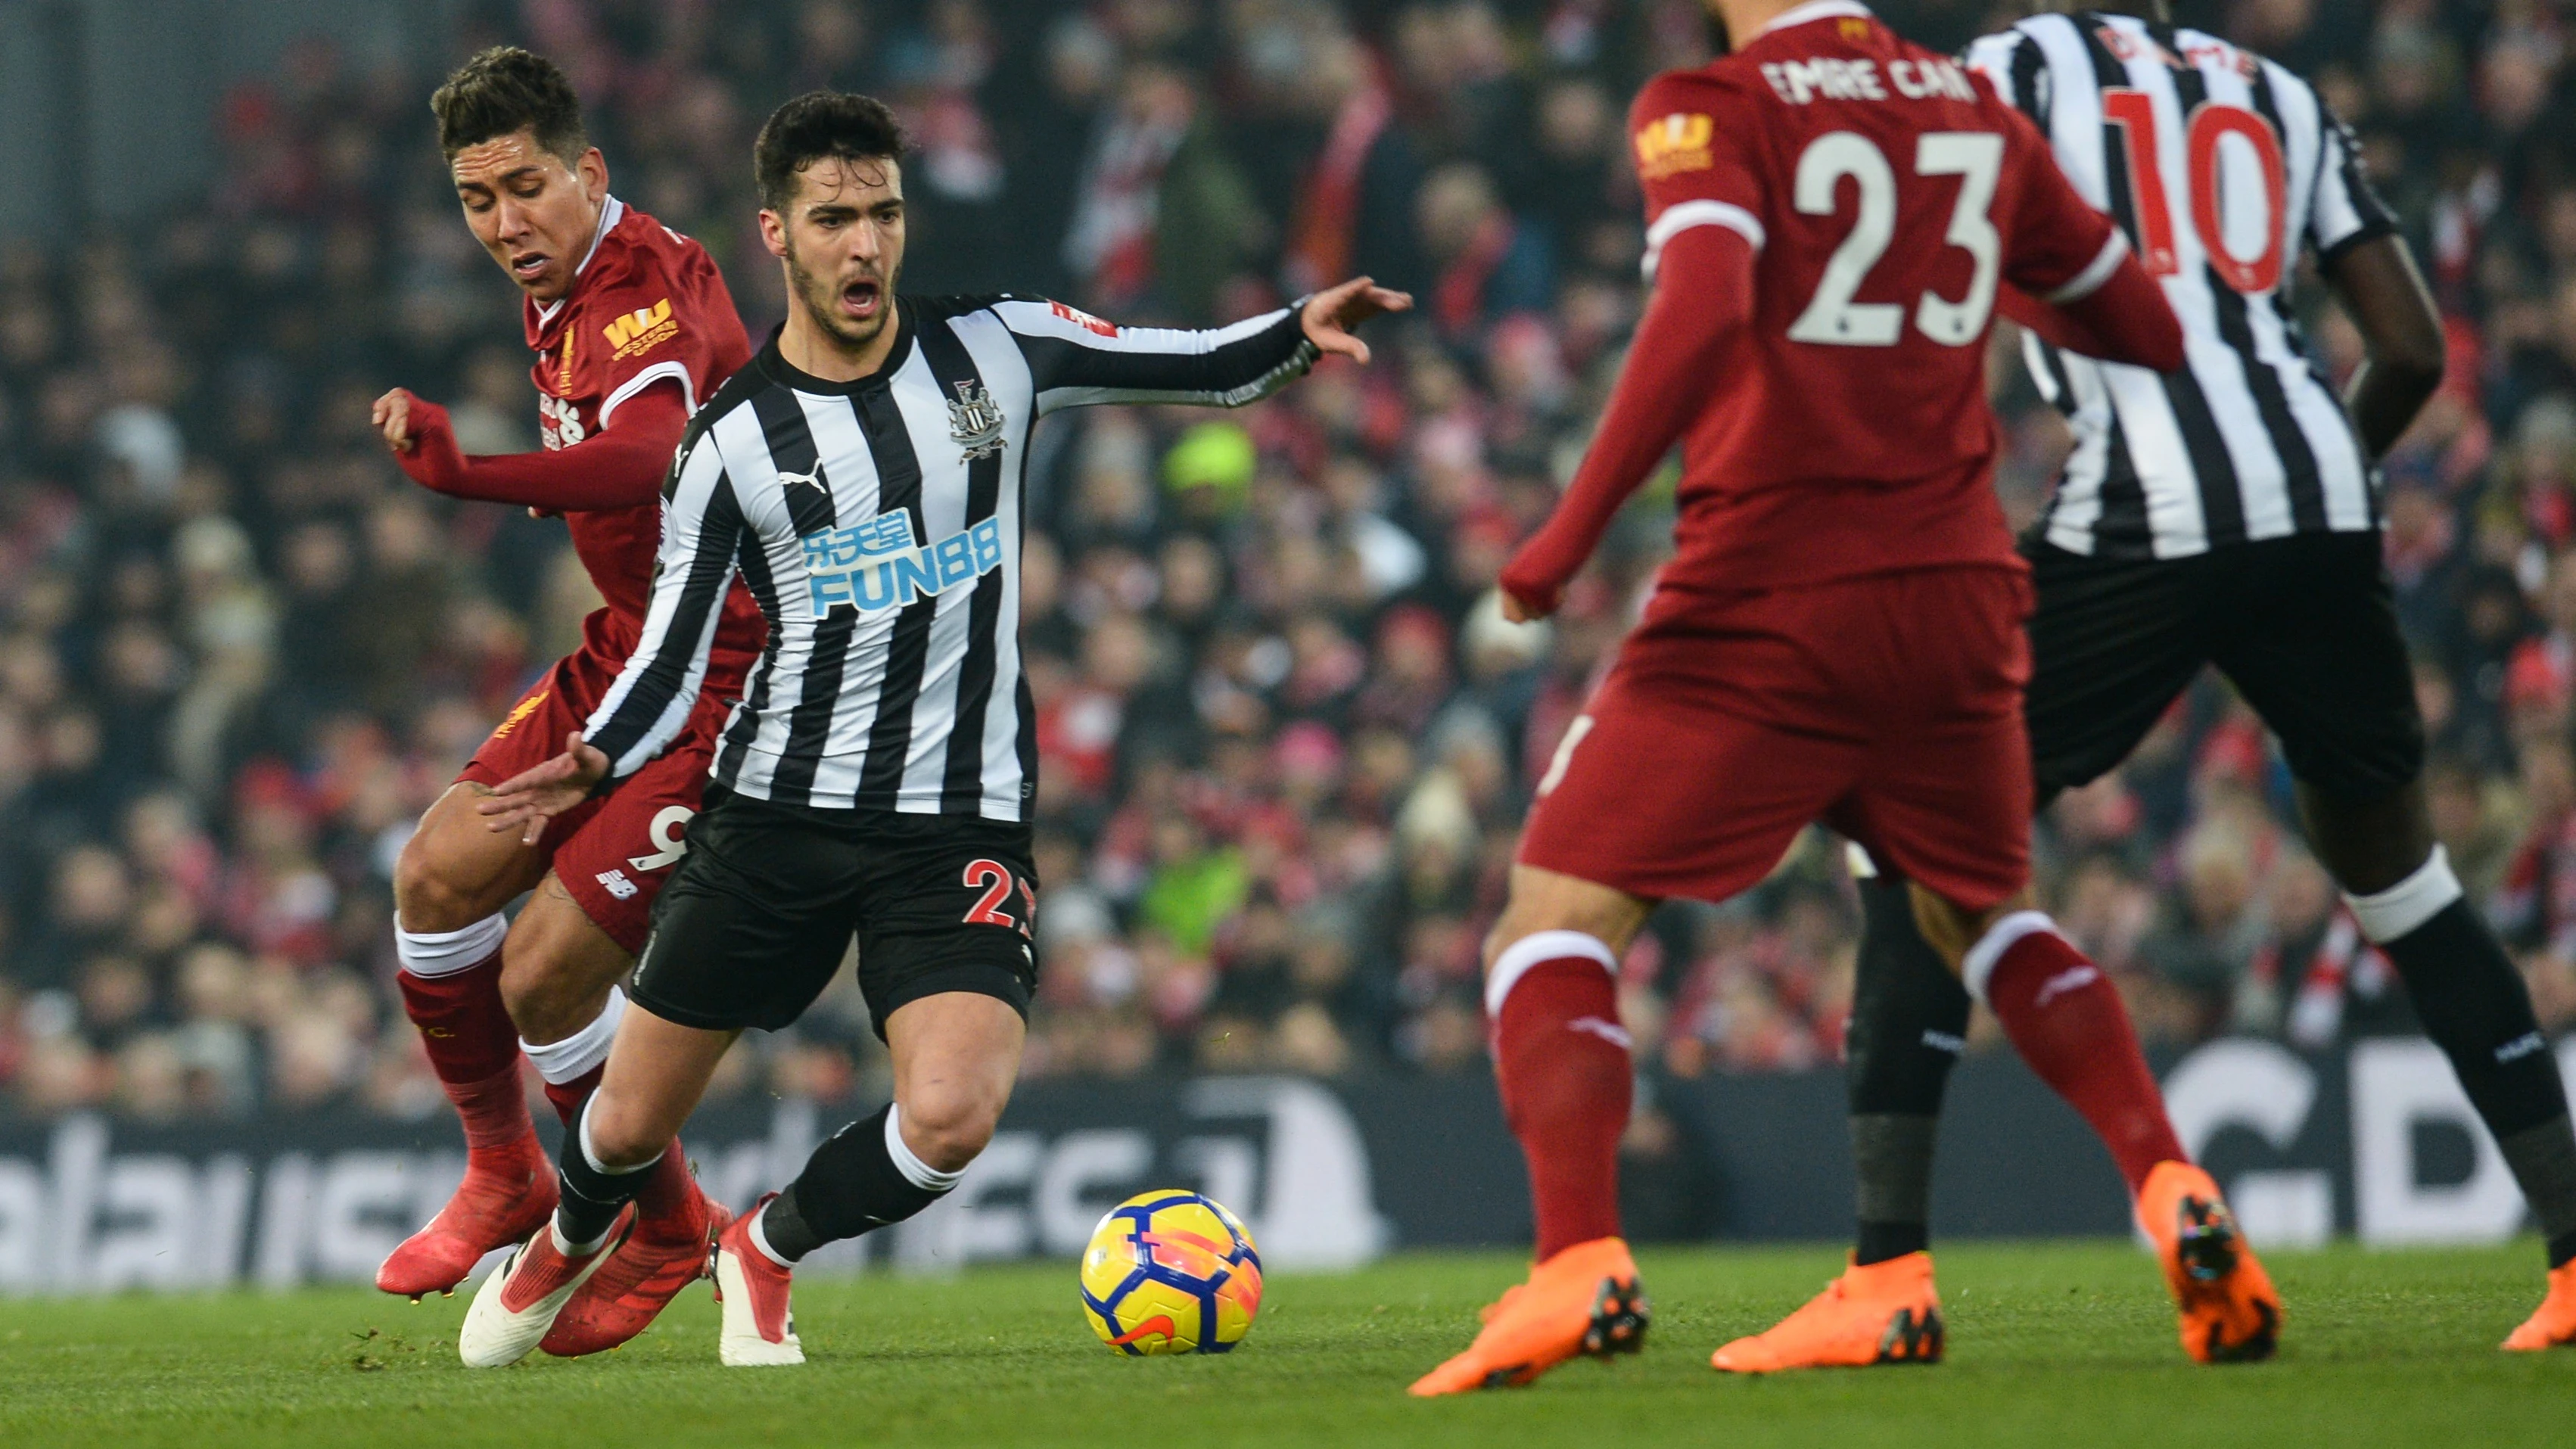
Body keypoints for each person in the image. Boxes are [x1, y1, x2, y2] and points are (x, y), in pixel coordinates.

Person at [453, 90, 1411, 1370]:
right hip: (777, 816)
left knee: (952, 1118)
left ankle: (767, 1246)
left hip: (956, 818)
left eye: (884, 215)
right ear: (778, 236)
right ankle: (572, 1233)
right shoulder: (732, 440)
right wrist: (597, 758)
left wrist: (1296, 330)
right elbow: (676, 646)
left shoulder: (998, 350)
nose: (865, 245)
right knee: (622, 1128)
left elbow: (1184, 361)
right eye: (834, 218)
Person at [1410, 0, 2215, 1396]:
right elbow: (2141, 325)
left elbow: (1709, 300)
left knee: (1553, 922)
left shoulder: (1715, 102)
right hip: (1958, 594)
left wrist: (1568, 530)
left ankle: (1575, 1260)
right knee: (1987, 912)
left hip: (1770, 591)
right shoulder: (1971, 109)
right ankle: (2170, 1189)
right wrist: (1951, 285)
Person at [1772, 1, 2576, 1365]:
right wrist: (2306, 479)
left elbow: (1905, 301)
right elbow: (2414, 348)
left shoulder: (1996, 75)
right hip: (2321, 492)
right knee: (2401, 878)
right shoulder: (2275, 85)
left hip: (2149, 501)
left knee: (1899, 819)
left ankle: (1887, 1273)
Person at [366, 47, 765, 1356]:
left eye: (526, 189)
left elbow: (650, 449)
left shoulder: (637, 293)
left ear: (587, 170)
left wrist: (473, 472)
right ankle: (507, 1173)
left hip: (732, 672)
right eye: (479, 202)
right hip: (627, 640)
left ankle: (668, 1222)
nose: (504, 225)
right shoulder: (568, 279)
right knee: (432, 879)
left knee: (540, 976)